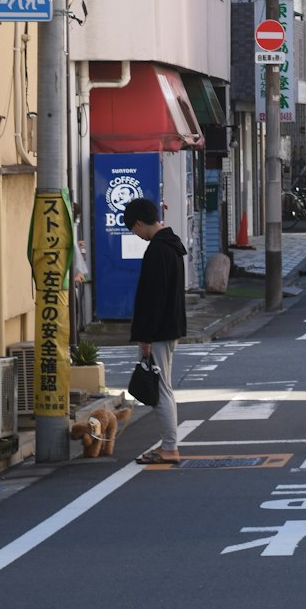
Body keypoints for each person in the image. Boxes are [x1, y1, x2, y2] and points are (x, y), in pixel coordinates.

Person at [123, 197, 187, 466]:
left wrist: (145, 337)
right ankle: (168, 444)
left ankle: (170, 447)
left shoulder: (157, 250)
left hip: (158, 330)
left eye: (133, 230)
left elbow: (153, 298)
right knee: (164, 387)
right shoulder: (171, 246)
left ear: (139, 223)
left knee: (161, 389)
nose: (136, 235)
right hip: (170, 326)